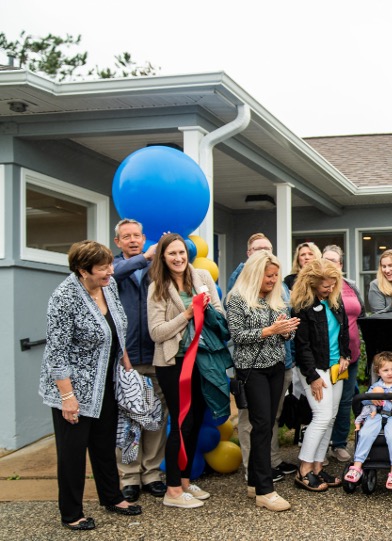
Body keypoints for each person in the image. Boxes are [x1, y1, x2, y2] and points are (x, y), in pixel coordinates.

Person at [39, 240, 142, 530]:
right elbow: (56, 352)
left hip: (105, 382)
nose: (111, 271)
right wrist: (67, 397)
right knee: (72, 453)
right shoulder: (64, 297)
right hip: (72, 388)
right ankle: (71, 514)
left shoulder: (108, 287)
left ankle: (112, 497)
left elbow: (117, 329)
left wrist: (126, 365)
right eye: (103, 267)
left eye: (110, 264)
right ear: (83, 270)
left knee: (104, 444)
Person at [147, 233, 222, 509]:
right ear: (163, 258)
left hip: (203, 361)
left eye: (181, 253)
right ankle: (173, 490)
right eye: (171, 254)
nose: (178, 258)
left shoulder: (202, 277)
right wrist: (188, 315)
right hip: (173, 363)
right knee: (180, 423)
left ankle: (187, 481)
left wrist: (207, 313)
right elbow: (156, 333)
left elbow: (219, 313)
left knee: (196, 420)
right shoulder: (157, 287)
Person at [225, 250, 300, 512]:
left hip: (276, 366)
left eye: (276, 275)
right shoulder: (236, 299)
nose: (273, 280)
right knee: (260, 425)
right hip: (251, 370)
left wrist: (287, 330)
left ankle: (255, 482)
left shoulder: (276, 297)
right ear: (256, 273)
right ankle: (265, 491)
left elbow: (282, 338)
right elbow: (237, 335)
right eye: (269, 275)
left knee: (268, 426)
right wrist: (270, 330)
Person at [111, 219, 167, 502]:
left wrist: (165, 249)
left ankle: (152, 474)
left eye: (137, 235)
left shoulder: (155, 267)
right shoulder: (113, 268)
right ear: (118, 242)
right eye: (126, 236)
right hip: (127, 358)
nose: (133, 240)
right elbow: (113, 275)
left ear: (144, 238)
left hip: (156, 354)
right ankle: (130, 476)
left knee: (155, 418)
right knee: (130, 419)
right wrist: (143, 258)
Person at [290, 259, 349, 492]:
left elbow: (343, 331)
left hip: (336, 368)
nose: (330, 289)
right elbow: (301, 346)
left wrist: (345, 355)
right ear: (312, 283)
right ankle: (303, 469)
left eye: (333, 284)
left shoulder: (335, 301)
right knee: (322, 416)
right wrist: (312, 376)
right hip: (314, 369)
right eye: (325, 285)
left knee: (331, 417)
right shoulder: (302, 307)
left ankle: (317, 467)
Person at [345, 352, 392, 490]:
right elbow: (364, 401)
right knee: (365, 433)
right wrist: (372, 397)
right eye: (385, 370)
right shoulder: (376, 386)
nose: (390, 373)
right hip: (376, 415)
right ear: (378, 372)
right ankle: (357, 466)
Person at [321, 245, 364, 463]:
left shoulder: (351, 286)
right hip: (329, 356)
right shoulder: (318, 288)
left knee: (345, 401)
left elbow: (361, 314)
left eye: (334, 261)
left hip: (351, 356)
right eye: (325, 259)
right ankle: (320, 447)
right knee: (325, 403)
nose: (330, 264)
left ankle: (338, 444)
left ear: (341, 265)